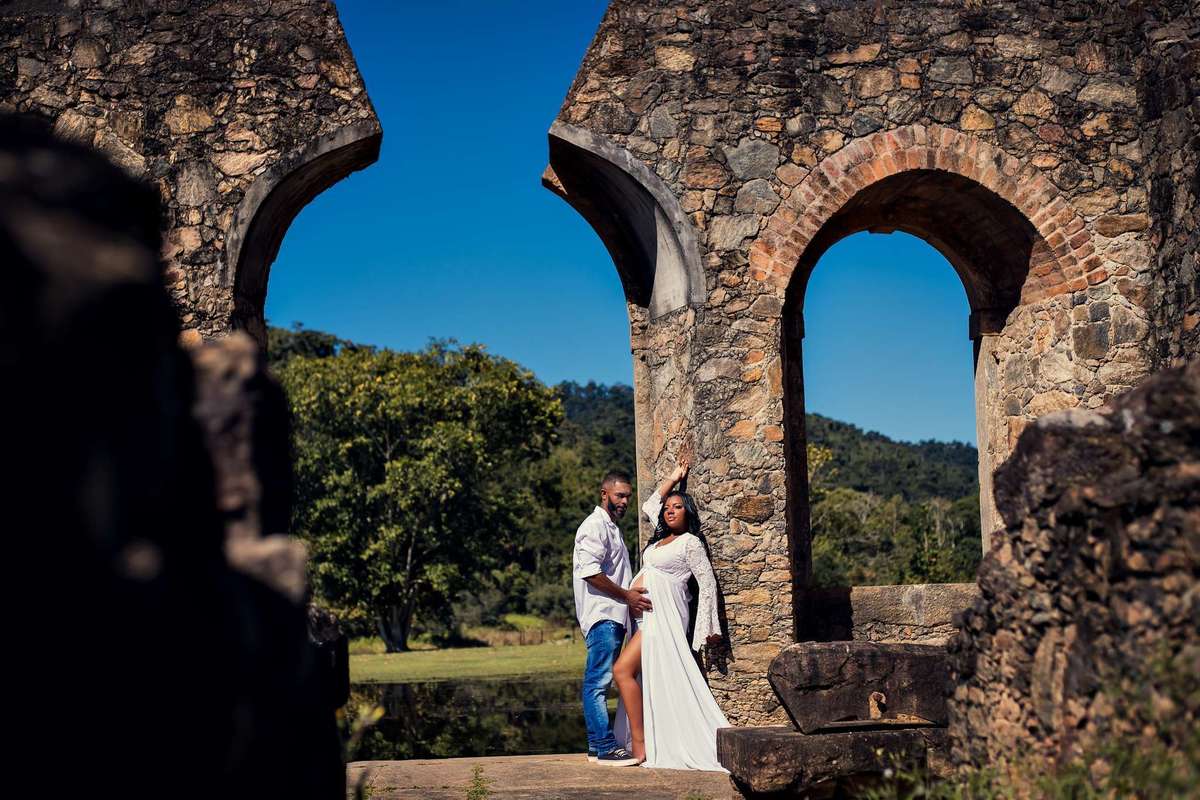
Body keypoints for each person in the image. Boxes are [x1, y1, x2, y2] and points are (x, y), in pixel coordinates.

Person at [612, 457, 730, 771]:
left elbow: (707, 584)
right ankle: (645, 741)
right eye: (668, 508)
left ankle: (641, 746)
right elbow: (650, 504)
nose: (669, 510)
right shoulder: (659, 539)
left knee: (622, 670)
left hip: (664, 619)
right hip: (646, 619)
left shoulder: (690, 543)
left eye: (677, 507)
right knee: (633, 674)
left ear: (687, 512)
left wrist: (706, 628)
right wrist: (675, 477)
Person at [572, 470, 652, 767]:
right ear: (604, 494)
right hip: (602, 615)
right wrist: (627, 596)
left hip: (613, 617)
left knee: (601, 681)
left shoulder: (612, 528)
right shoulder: (594, 526)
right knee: (598, 682)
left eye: (628, 496)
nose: (625, 501)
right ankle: (606, 747)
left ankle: (596, 746)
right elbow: (590, 573)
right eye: (620, 495)